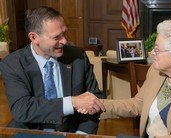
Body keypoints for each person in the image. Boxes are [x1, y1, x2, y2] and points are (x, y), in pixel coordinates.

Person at [80, 18, 171, 137]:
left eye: (157, 49)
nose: (152, 53)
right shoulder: (156, 72)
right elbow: (137, 105)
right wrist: (98, 104)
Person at [0, 6, 105, 134]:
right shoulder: (13, 64)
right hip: (29, 133)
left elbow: (94, 100)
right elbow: (22, 109)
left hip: (72, 132)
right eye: (56, 37)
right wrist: (72, 102)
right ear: (34, 38)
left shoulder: (79, 57)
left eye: (64, 33)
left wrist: (81, 135)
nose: (64, 41)